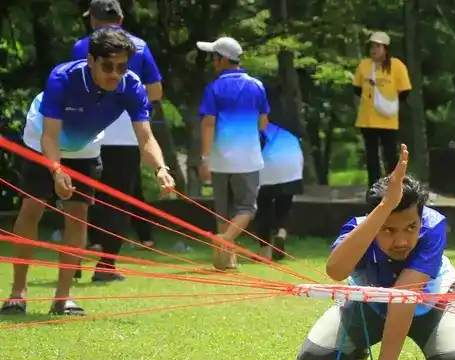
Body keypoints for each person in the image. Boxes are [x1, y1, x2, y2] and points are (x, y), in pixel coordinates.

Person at [0, 28, 174, 316]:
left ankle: (63, 298)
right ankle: (17, 293)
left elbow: (145, 138)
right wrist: (56, 171)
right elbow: (50, 137)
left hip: (84, 147)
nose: (115, 74)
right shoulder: (63, 77)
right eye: (108, 66)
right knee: (32, 208)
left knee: (78, 214)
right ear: (91, 60)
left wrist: (161, 169)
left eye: (122, 67)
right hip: (41, 139)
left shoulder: (131, 86)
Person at [296, 145, 455, 360]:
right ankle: (359, 349)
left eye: (410, 227)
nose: (402, 241)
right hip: (370, 307)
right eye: (388, 229)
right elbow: (336, 271)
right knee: (315, 359)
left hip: (430, 304)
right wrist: (385, 207)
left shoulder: (434, 226)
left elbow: (404, 295)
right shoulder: (359, 229)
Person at [73, 0, 164, 281]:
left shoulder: (81, 46)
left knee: (79, 197)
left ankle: (73, 260)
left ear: (92, 20)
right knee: (118, 198)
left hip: (85, 131)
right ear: (121, 18)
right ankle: (106, 265)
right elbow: (157, 91)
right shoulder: (140, 46)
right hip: (125, 133)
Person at [196, 37, 269, 270]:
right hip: (248, 159)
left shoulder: (214, 88)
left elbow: (208, 123)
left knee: (223, 211)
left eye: (214, 57)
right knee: (247, 208)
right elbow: (263, 122)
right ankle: (225, 247)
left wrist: (205, 158)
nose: (212, 61)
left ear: (223, 59)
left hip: (219, 160)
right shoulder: (256, 86)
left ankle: (224, 257)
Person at [352, 31, 412, 187]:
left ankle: (394, 187)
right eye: (372, 46)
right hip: (367, 119)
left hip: (387, 119)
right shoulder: (364, 66)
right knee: (371, 156)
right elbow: (357, 89)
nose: (374, 50)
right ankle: (374, 187)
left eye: (377, 46)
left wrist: (389, 102)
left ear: (385, 49)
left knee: (390, 155)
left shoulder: (396, 66)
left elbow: (405, 91)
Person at [254, 121, 304, 261]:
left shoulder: (257, 124)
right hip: (293, 165)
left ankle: (265, 251)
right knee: (285, 206)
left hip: (269, 165)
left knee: (263, 207)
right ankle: (281, 233)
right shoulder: (289, 127)